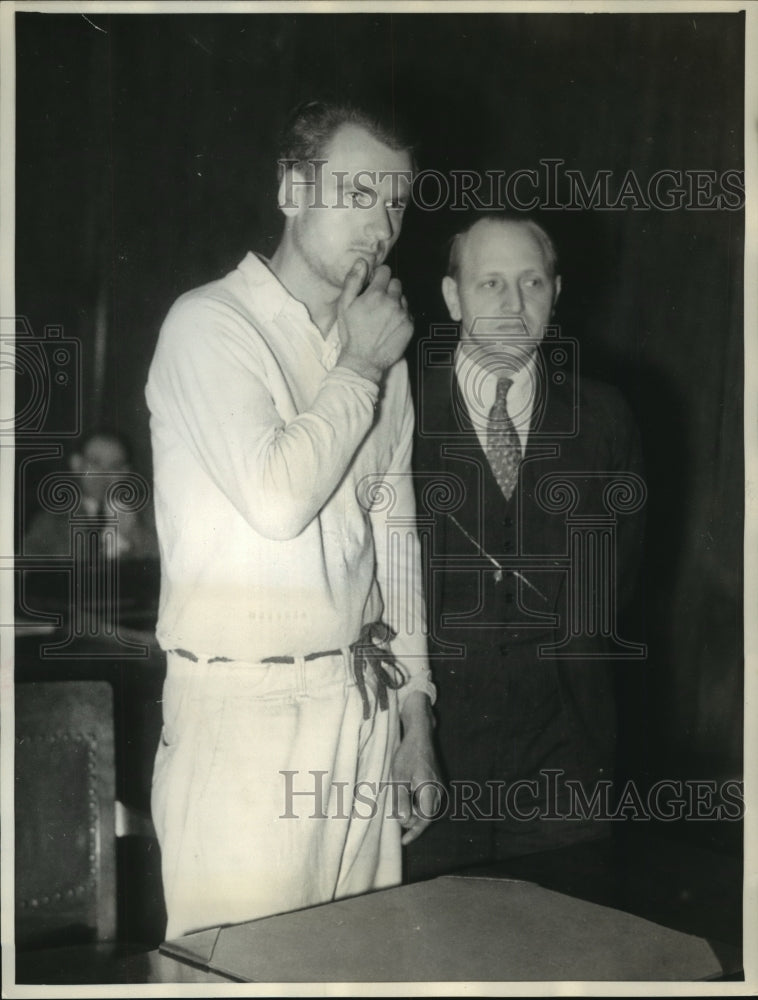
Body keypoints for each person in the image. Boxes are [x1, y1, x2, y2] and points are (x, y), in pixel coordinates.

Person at [145, 100, 440, 939]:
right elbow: (278, 501)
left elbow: (395, 538)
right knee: (247, 975)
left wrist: (416, 710)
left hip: (361, 704)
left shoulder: (375, 344)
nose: (381, 222)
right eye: (357, 191)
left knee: (366, 972)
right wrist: (359, 364)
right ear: (290, 190)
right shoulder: (208, 325)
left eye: (397, 199)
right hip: (242, 716)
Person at [405, 214, 645, 880]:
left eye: (531, 281)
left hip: (565, 778)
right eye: (490, 283)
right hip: (423, 772)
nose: (513, 304)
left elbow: (614, 583)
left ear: (556, 291)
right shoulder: (397, 412)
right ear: (453, 297)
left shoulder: (605, 419)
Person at [23, 428, 159, 560]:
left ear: (126, 472)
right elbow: (24, 570)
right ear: (77, 465)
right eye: (95, 463)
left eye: (114, 467)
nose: (103, 474)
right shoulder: (51, 521)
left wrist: (133, 535)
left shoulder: (145, 516)